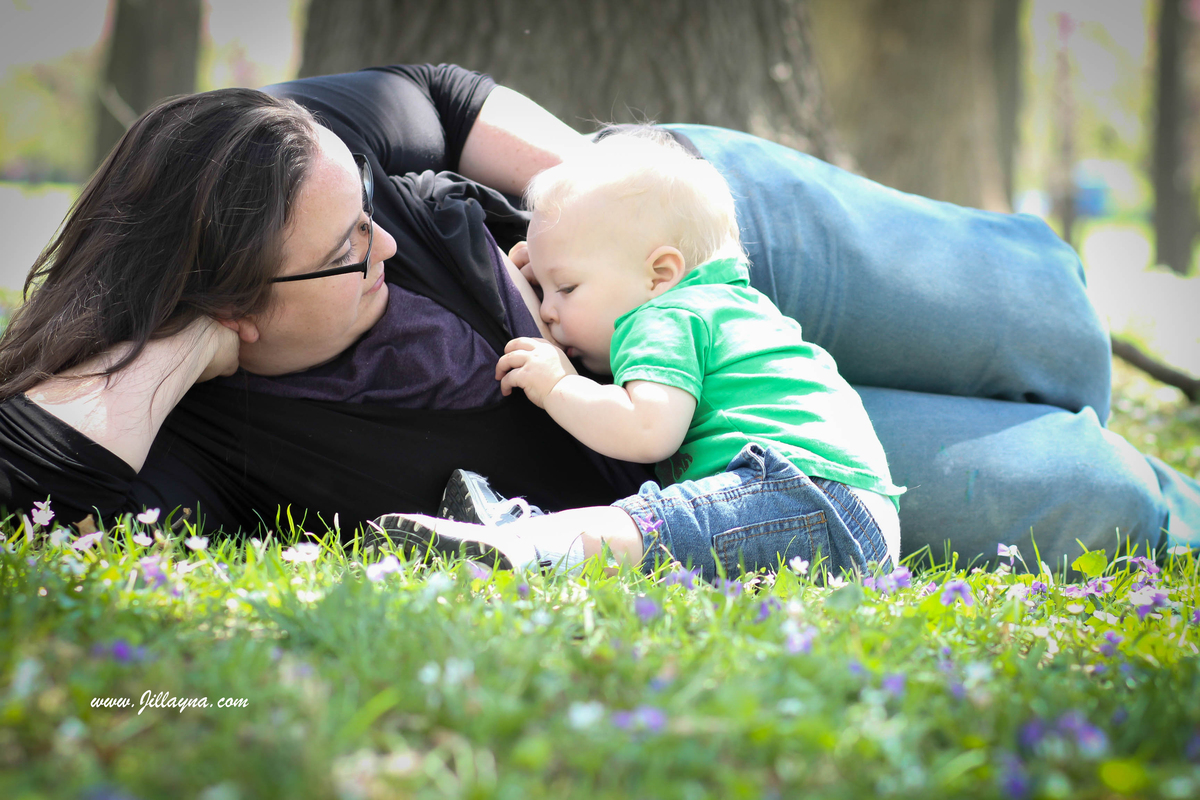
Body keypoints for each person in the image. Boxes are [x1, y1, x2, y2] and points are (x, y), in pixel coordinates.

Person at [0, 63, 1193, 569]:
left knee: (1039, 321)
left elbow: (438, 98)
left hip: (705, 247)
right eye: (342, 252)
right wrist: (185, 344)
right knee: (1076, 491)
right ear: (234, 319)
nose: (378, 240)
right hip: (717, 464)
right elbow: (36, 485)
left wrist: (620, 227)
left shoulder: (260, 150)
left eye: (367, 207)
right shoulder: (200, 434)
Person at [373, 131, 905, 579]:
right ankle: (529, 532)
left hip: (803, 496)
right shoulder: (727, 304)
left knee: (659, 523)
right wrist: (562, 273)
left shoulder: (665, 317)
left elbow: (649, 430)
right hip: (846, 512)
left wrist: (560, 386)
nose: (549, 311)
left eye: (567, 288)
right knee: (685, 533)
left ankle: (528, 544)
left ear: (659, 274)